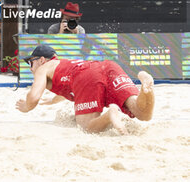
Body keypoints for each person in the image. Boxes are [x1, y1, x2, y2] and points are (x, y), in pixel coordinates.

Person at [16, 44, 155, 135]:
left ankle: (110, 113)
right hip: (107, 67)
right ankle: (145, 86)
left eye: (31, 62)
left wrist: (26, 107)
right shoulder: (64, 65)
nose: (30, 67)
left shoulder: (43, 68)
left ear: (41, 60)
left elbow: (34, 97)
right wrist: (53, 100)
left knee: (86, 127)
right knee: (143, 113)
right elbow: (69, 87)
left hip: (87, 77)